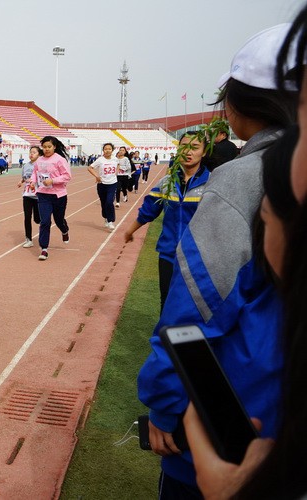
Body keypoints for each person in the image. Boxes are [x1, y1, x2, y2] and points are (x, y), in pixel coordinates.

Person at [137, 23, 298, 498]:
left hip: (236, 421)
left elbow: (197, 311)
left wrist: (166, 402)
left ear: (241, 102)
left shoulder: (240, 180)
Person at [123, 132, 210, 308]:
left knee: (195, 305)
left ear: (204, 152)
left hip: (199, 257)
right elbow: (149, 210)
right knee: (167, 301)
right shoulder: (166, 182)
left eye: (194, 147)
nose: (188, 152)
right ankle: (166, 336)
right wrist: (130, 230)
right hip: (169, 254)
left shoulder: (212, 183)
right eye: (184, 146)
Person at [30, 136, 72, 260]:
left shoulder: (60, 160)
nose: (47, 149)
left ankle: (64, 231)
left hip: (58, 195)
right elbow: (35, 173)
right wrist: (33, 182)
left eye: (49, 147)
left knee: (59, 220)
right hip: (43, 195)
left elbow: (67, 176)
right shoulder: (39, 160)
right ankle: (44, 249)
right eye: (44, 147)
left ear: (54, 147)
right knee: (45, 221)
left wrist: (53, 180)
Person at [87, 143, 118, 230]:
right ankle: (106, 217)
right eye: (105, 149)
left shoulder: (115, 159)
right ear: (103, 150)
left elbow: (118, 165)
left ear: (112, 150)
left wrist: (116, 173)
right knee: (103, 203)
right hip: (102, 184)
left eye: (109, 149)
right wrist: (97, 176)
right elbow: (90, 168)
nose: (107, 150)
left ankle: (110, 220)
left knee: (109, 202)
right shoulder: (100, 160)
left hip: (112, 183)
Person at [17, 145, 42, 248]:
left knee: (37, 219)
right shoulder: (26, 165)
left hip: (37, 195)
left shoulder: (41, 165)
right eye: (30, 152)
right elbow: (24, 178)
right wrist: (20, 181)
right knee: (27, 217)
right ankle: (28, 239)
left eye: (34, 152)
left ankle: (44, 230)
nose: (31, 154)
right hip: (27, 195)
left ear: (39, 154)